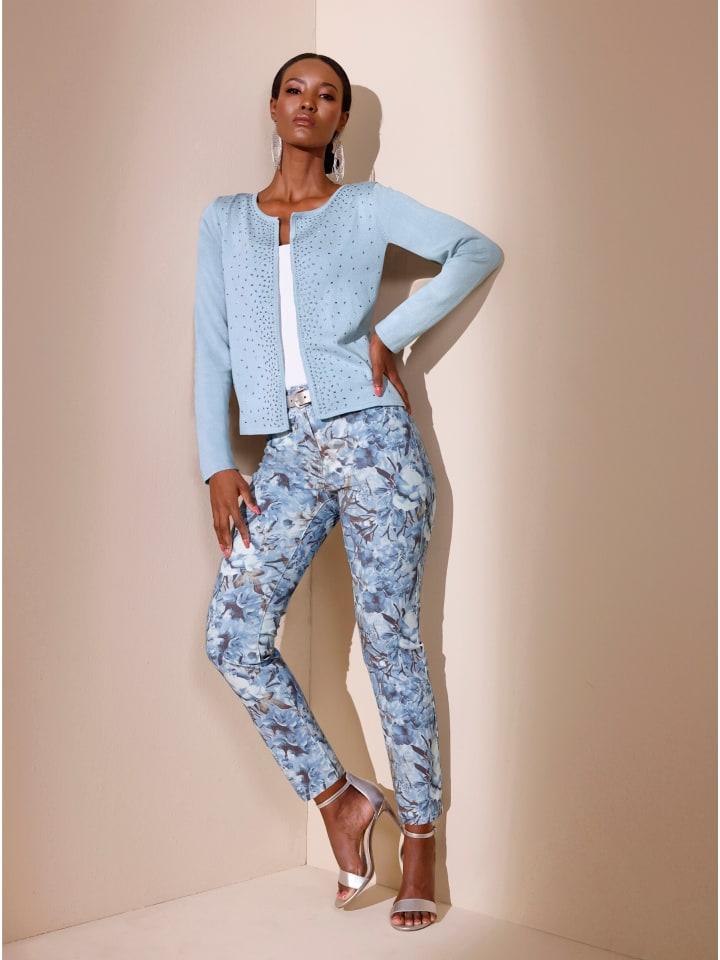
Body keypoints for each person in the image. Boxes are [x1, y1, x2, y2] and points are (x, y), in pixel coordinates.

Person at [193, 52, 503, 932]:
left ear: (340, 122)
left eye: (326, 95)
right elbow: (211, 347)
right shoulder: (225, 220)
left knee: (391, 641)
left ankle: (421, 841)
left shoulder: (365, 207)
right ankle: (341, 799)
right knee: (233, 636)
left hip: (372, 440)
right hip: (286, 452)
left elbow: (474, 249)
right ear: (273, 107)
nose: (309, 103)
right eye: (295, 89)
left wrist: (393, 331)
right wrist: (218, 461)